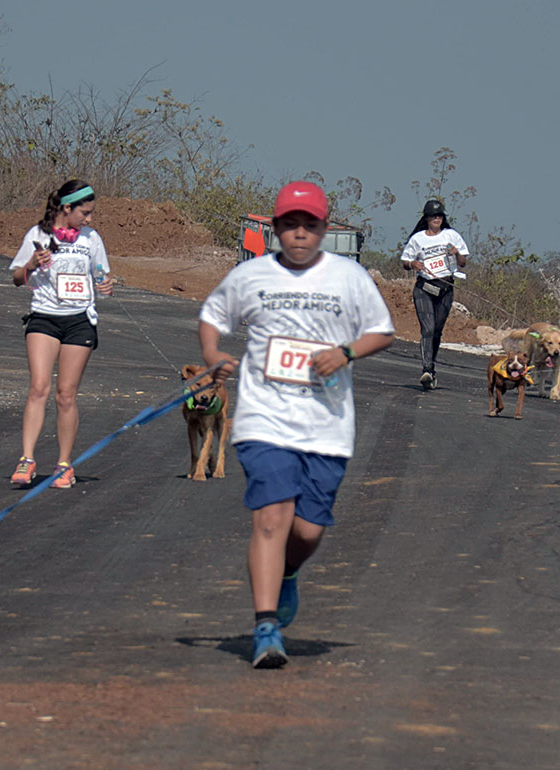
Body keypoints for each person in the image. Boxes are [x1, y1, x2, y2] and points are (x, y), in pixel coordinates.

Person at [198, 181, 395, 668]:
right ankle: (266, 628)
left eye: (310, 225)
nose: (300, 234)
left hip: (326, 423)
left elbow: (382, 331)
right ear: (275, 228)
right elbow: (212, 315)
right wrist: (212, 354)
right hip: (264, 418)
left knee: (306, 532)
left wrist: (345, 352)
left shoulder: (348, 278)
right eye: (290, 225)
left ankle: (287, 576)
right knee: (271, 517)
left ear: (324, 229)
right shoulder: (252, 276)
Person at [7, 179, 114, 488]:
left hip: (79, 321)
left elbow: (102, 277)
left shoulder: (92, 239)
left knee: (66, 395)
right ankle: (27, 459)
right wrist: (30, 264)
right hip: (44, 318)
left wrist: (106, 286)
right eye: (85, 212)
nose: (89, 219)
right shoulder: (38, 234)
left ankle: (64, 464)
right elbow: (16, 277)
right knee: (38, 387)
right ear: (67, 208)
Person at [400, 199, 468, 389]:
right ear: (427, 218)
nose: (436, 219)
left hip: (445, 287)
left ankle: (433, 367)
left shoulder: (452, 235)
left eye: (439, 216)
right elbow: (405, 261)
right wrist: (413, 264)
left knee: (437, 331)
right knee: (427, 329)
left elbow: (463, 263)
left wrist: (456, 253)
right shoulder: (418, 239)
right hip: (424, 288)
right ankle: (426, 370)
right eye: (433, 216)